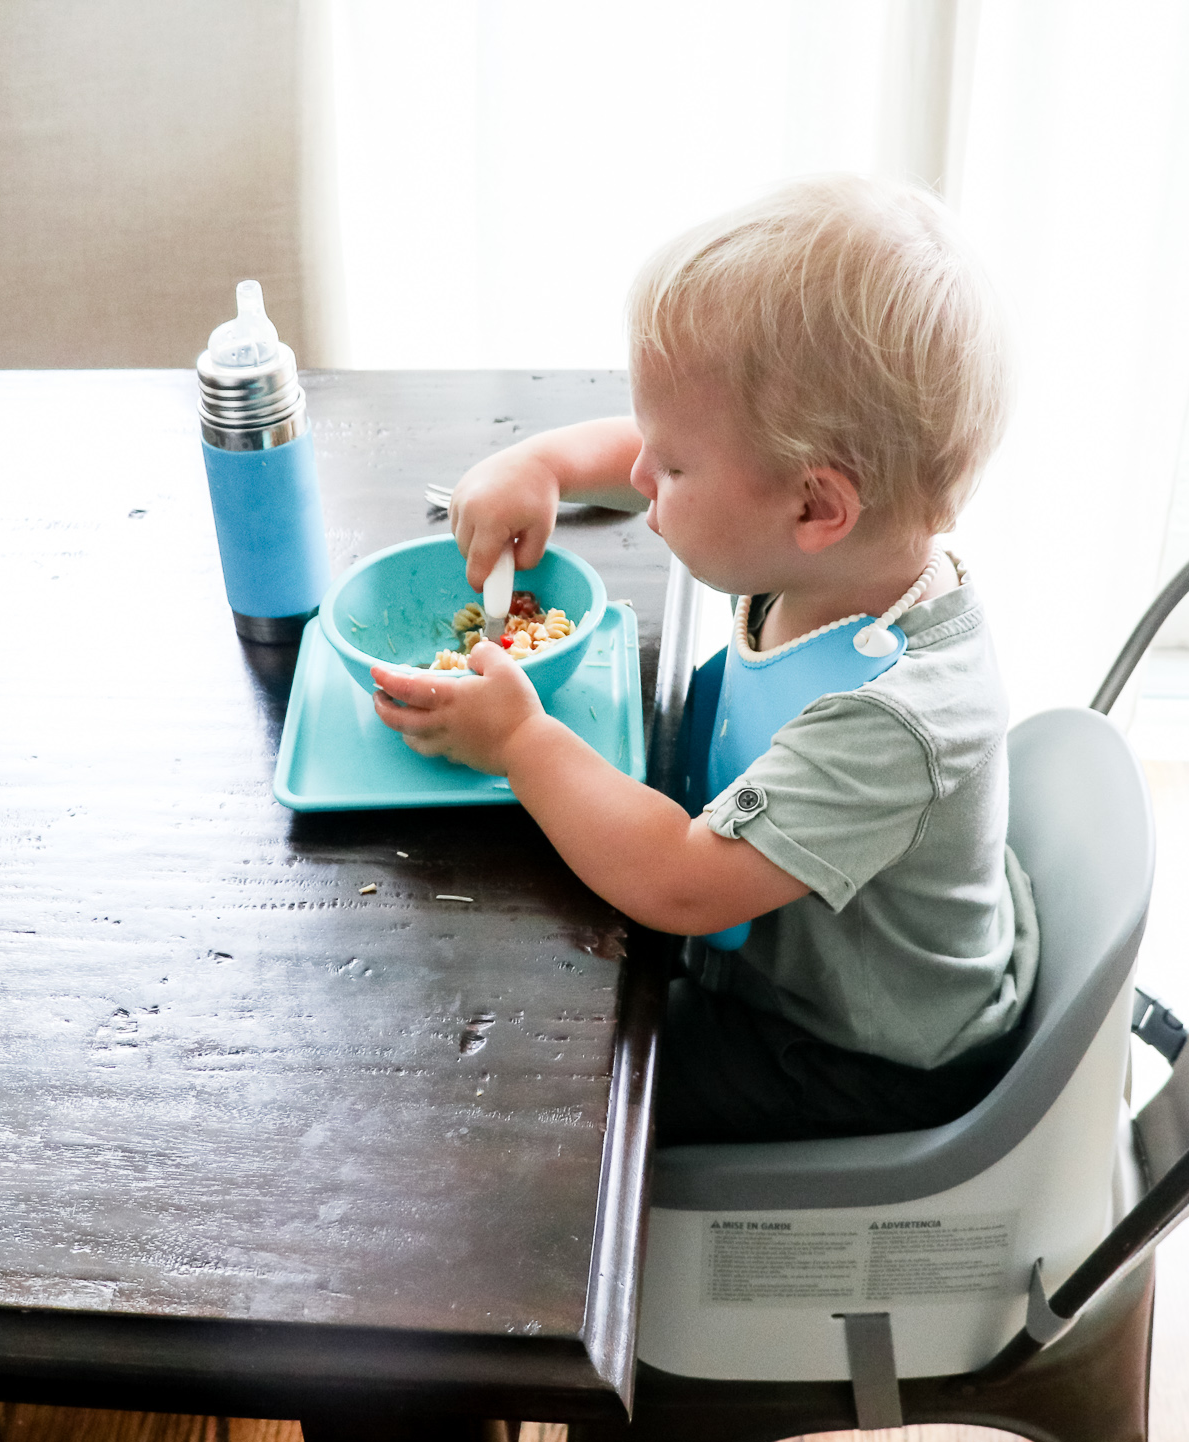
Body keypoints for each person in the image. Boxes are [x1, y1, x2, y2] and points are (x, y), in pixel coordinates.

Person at [369, 175, 1037, 1146]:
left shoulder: (893, 717)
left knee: (558, 1090)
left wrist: (520, 741)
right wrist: (542, 466)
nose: (641, 478)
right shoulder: (837, 555)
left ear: (816, 507)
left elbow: (682, 887)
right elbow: (652, 452)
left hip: (854, 1052)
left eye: (672, 471)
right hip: (801, 944)